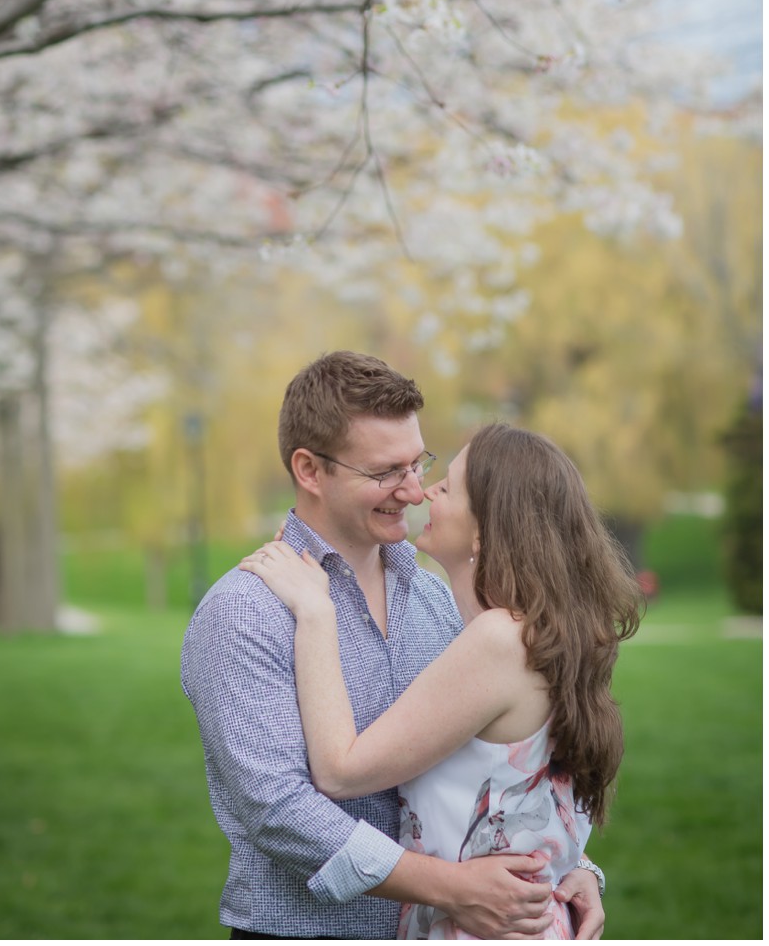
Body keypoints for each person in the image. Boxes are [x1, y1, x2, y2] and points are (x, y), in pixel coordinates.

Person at [180, 352, 606, 939]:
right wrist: (454, 888)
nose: (413, 491)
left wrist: (567, 866)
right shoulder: (245, 611)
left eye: (418, 464)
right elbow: (279, 811)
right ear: (310, 470)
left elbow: (498, 760)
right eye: (385, 472)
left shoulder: (437, 598)